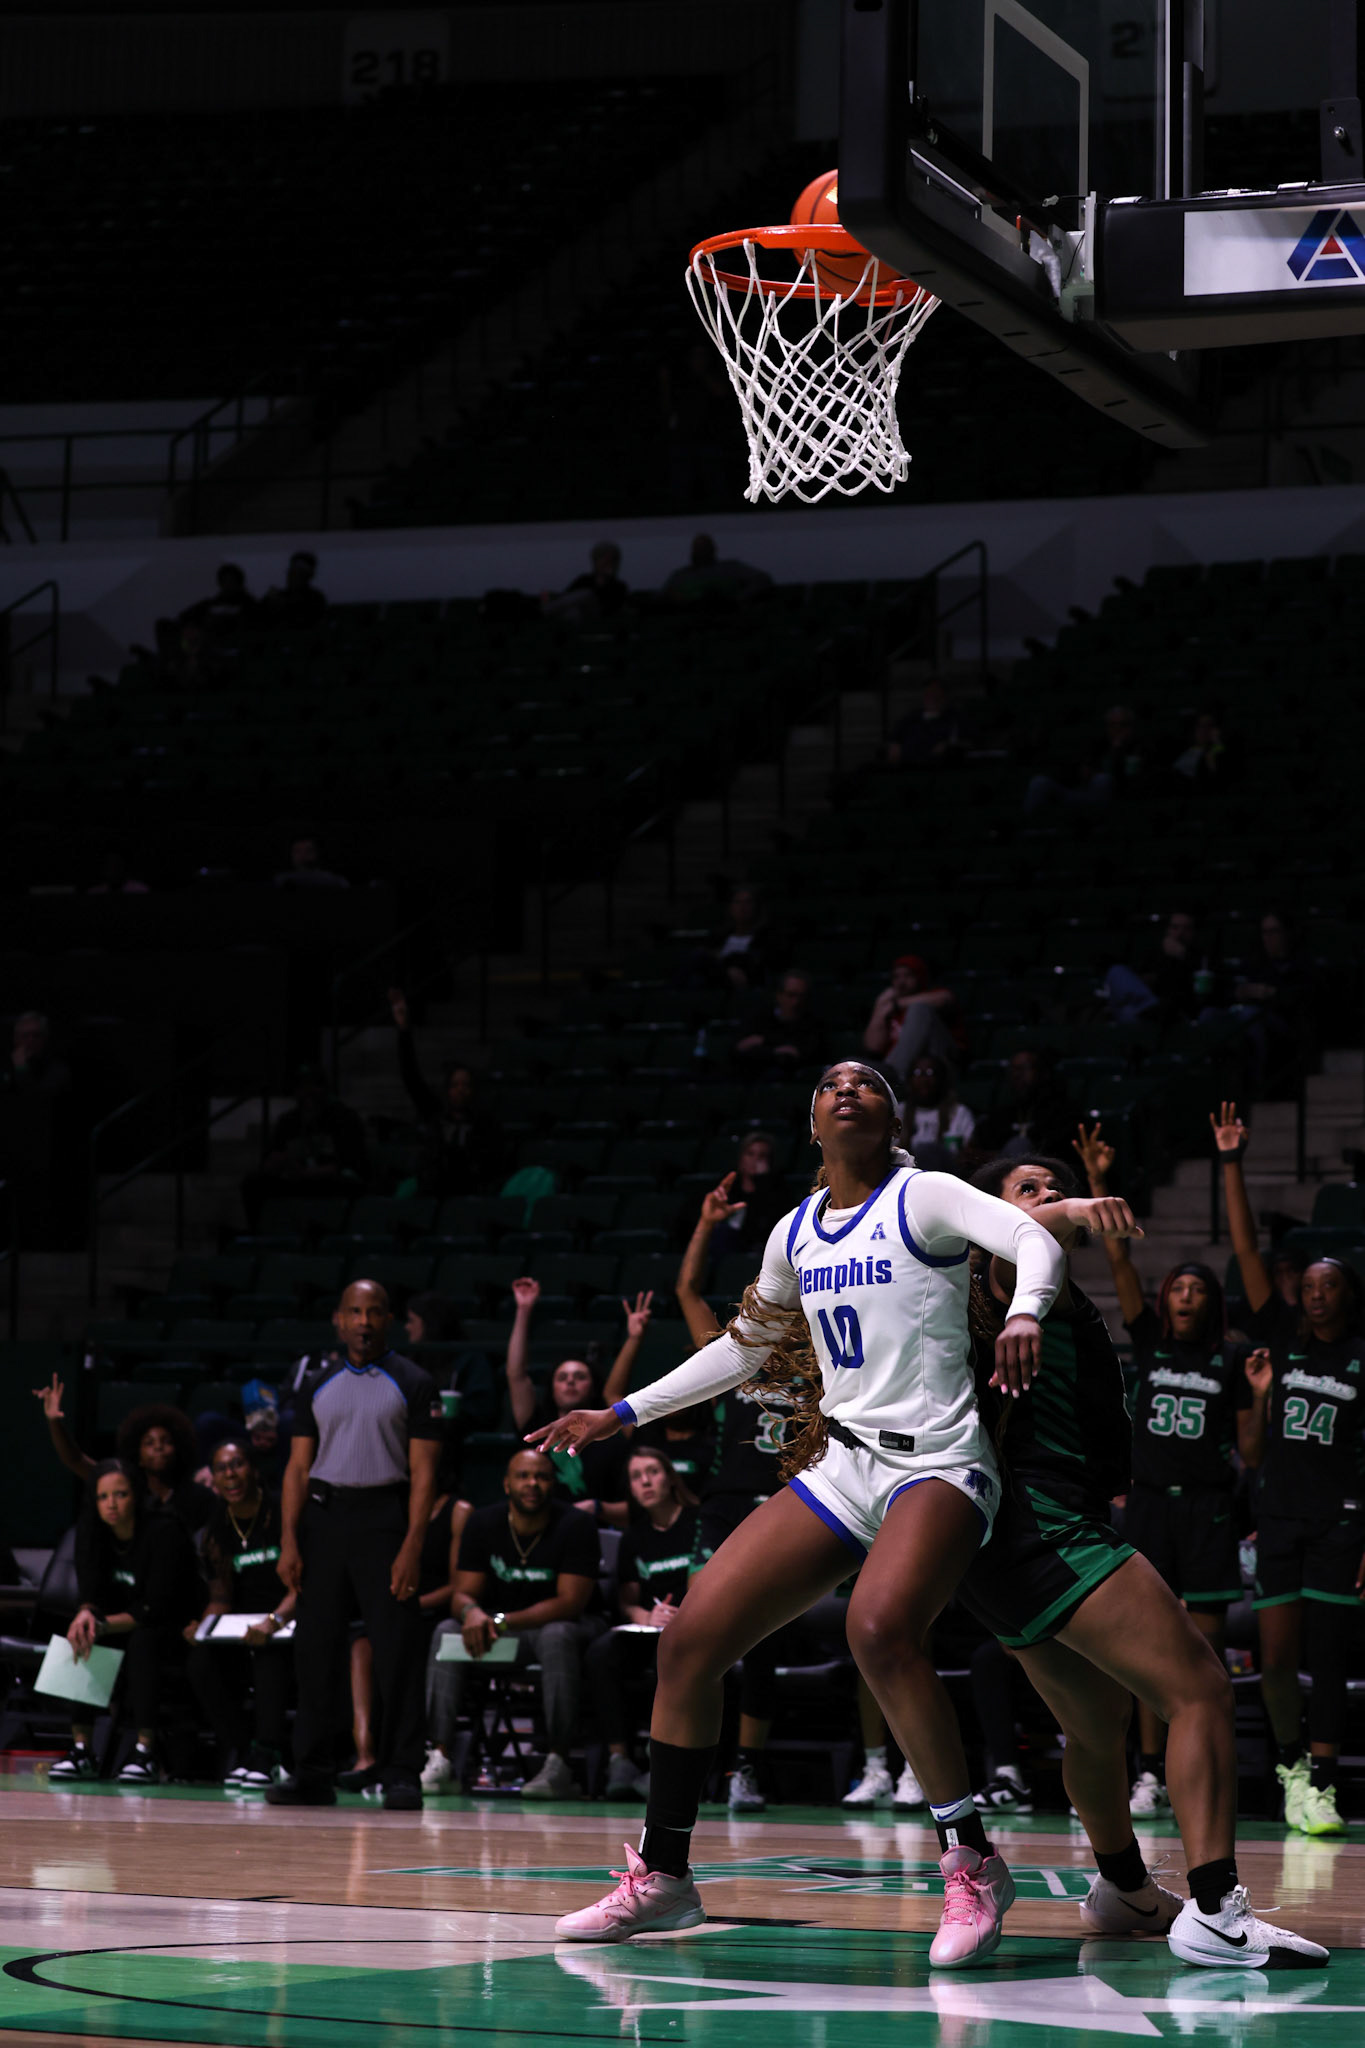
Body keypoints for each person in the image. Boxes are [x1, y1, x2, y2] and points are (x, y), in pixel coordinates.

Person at [541, 1059, 1067, 1967]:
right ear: (812, 1124)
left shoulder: (927, 1195)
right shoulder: (794, 1232)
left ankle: (972, 1861)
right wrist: (620, 1412)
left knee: (878, 1630)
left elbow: (1033, 1241)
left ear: (892, 1119)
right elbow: (743, 1350)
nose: (847, 1088)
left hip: (939, 1461)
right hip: (842, 1463)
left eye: (866, 1082)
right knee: (689, 1641)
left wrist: (1025, 1313)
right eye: (830, 1085)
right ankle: (664, 1876)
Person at [959, 1151, 1327, 1969]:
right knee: (1198, 1689)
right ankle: (1215, 1909)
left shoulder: (1025, 1286)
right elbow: (1020, 1235)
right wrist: (1076, 1207)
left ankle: (1123, 1888)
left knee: (1095, 1726)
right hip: (1045, 1524)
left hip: (1000, 1545)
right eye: (1028, 1189)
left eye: (1055, 1186)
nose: (1048, 1197)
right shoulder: (1003, 1274)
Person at [1073, 1121, 1252, 1816]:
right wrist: (1098, 1184)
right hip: (1147, 1504)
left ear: (1210, 1302)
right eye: (1176, 1287)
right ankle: (1149, 1771)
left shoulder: (1232, 1360)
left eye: (1196, 1289)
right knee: (1148, 1646)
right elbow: (1120, 1264)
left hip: (1206, 1508)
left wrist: (1261, 1398)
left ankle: (1199, 1765)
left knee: (1201, 1652)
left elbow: (1252, 1451)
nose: (1183, 1296)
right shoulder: (1147, 1343)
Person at [1215, 1100, 1365, 1838]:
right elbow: (1246, 1253)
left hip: (1340, 1523)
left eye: (1327, 1285)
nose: (1315, 1294)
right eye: (1307, 1286)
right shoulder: (1281, 1338)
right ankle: (1290, 1767)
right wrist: (1231, 1164)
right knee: (1275, 1659)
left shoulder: (1361, 1358)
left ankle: (1326, 1784)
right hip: (1277, 1516)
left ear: (1348, 1294)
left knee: (1328, 1659)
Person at [266, 1280, 443, 1811]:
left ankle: (402, 1773)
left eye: (374, 1312)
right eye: (354, 1312)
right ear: (339, 1321)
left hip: (385, 1519)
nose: (364, 1322)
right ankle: (312, 1773)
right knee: (314, 1651)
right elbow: (297, 1468)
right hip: (324, 1520)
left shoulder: (414, 1381)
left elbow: (424, 1472)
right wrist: (289, 1540)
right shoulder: (315, 1382)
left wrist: (413, 1545)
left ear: (388, 1320)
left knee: (397, 1652)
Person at [673, 1182, 798, 1812]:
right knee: (697, 1629)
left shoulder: (820, 1360)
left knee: (763, 1640)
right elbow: (686, 1291)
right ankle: (695, 1764)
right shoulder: (735, 1355)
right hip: (724, 1506)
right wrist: (706, 1224)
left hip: (787, 1507)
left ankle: (746, 1768)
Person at [424, 1449, 605, 1798]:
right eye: (523, 1476)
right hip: (500, 1633)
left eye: (541, 1476)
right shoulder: (483, 1522)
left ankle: (559, 1763)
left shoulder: (575, 1524)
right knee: (446, 1632)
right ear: (506, 1484)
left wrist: (501, 1621)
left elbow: (570, 1603)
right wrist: (472, 1613)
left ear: (554, 1483)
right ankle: (440, 1757)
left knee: (556, 1635)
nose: (532, 1484)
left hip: (564, 1629)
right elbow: (462, 1593)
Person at [48, 1461, 201, 1786]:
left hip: (172, 1626)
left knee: (143, 1641)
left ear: (137, 1495)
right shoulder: (92, 1532)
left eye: (120, 1494)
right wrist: (86, 1613)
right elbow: (90, 1592)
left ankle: (146, 1750)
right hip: (117, 1624)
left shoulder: (164, 1531)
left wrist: (100, 1624)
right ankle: (81, 1749)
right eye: (103, 1497)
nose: (111, 1504)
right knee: (80, 1634)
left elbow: (157, 1606)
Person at [587, 1447, 700, 1795]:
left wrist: (685, 1615)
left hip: (694, 1628)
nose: (646, 1482)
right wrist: (646, 1615)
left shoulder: (698, 1523)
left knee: (672, 1657)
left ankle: (663, 1764)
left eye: (652, 1472)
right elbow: (627, 1601)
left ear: (670, 1478)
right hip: (650, 1629)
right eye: (636, 1477)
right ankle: (619, 1759)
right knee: (601, 1653)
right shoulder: (633, 1537)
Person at [185, 1440, 295, 1789]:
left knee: (268, 1653)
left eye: (237, 1464)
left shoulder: (282, 1512)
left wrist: (274, 1621)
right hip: (242, 1626)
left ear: (254, 1469)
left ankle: (268, 1752)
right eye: (221, 1468)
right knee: (200, 1661)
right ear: (214, 1479)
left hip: (289, 1620)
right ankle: (245, 1751)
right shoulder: (217, 1525)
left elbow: (303, 1588)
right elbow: (220, 1597)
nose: (230, 1475)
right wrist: (203, 1627)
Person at [504, 1278, 639, 1526]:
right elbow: (516, 1375)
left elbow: (636, 1508)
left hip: (598, 1531)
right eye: (562, 1377)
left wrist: (596, 1508)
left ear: (593, 1387)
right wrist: (523, 1309)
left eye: (580, 1377)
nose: (570, 1381)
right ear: (552, 1388)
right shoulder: (536, 1424)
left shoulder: (611, 1432)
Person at [32, 1383, 215, 1535]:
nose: (158, 1447)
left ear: (179, 1449)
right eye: (149, 1443)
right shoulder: (125, 1486)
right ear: (138, 1454)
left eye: (166, 1441)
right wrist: (54, 1421)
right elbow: (76, 1460)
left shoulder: (199, 1497)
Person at [388, 990, 505, 1197]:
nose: (460, 1089)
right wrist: (404, 1030)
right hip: (435, 1192)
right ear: (448, 1089)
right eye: (455, 1084)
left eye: (465, 1085)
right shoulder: (437, 1115)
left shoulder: (484, 1123)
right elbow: (411, 1078)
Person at [241, 1067, 368, 1227]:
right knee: (253, 1184)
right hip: (298, 1182)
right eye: (302, 1087)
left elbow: (350, 1163)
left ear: (325, 1089)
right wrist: (276, 1163)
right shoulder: (288, 1121)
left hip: (330, 1183)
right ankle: (258, 1233)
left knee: (348, 1186)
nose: (308, 1092)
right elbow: (270, 1159)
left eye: (313, 1086)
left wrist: (308, 1173)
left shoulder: (344, 1118)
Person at [675, 1135, 787, 1261]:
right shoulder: (725, 1187)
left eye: (762, 1156)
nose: (755, 1160)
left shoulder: (776, 1192)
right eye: (750, 1154)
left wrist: (762, 1180)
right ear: (741, 1157)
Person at [1025, 704, 1142, 813]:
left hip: (1109, 797)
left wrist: (1118, 751)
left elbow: (1129, 780)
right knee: (1039, 782)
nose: (1117, 728)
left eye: (1122, 724)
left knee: (1103, 780)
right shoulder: (1097, 743)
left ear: (1130, 727)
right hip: (1079, 790)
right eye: (1112, 724)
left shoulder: (1139, 748)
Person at [864, 954, 963, 1081]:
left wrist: (896, 1004)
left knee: (919, 1009)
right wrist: (879, 1006)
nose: (901, 982)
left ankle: (895, 1076)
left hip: (940, 1066)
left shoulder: (934, 995)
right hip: (900, 1070)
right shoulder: (890, 1009)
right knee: (849, 1065)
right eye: (896, 977)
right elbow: (873, 1047)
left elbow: (945, 999)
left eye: (908, 975)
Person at [1102, 909, 1206, 1028]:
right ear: (1168, 930)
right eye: (1175, 927)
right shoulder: (1155, 953)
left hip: (1178, 1013)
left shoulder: (1200, 957)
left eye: (1186, 928)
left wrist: (1183, 955)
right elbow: (1140, 982)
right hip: (1149, 1008)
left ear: (1193, 932)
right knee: (1117, 971)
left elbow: (1199, 990)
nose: (1180, 933)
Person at [970, 1047, 1077, 1162]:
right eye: (1013, 1069)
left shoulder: (1064, 1114)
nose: (1017, 1075)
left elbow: (1058, 1153)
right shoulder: (1001, 1114)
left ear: (1044, 1073)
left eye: (1024, 1068)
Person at [733, 969, 827, 1077]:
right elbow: (739, 1051)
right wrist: (774, 1050)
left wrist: (763, 1042)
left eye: (801, 996)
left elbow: (814, 1054)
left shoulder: (813, 1023)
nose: (796, 1002)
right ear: (779, 995)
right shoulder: (758, 1019)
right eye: (791, 995)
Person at [902, 1054, 975, 1168]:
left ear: (941, 1079)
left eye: (930, 1073)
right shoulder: (898, 1111)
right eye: (917, 1073)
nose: (924, 1080)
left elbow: (968, 1154)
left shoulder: (959, 1113)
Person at [886, 677, 974, 769]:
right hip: (908, 766)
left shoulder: (955, 718)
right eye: (929, 693)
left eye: (936, 693)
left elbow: (968, 743)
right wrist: (894, 746)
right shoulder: (911, 718)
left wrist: (949, 748)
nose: (932, 697)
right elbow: (894, 741)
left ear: (944, 696)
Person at [662, 534, 771, 607]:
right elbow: (664, 595)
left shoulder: (731, 568)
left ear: (713, 550)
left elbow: (762, 579)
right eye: (698, 549)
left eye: (704, 548)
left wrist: (738, 599)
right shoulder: (680, 576)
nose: (701, 552)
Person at [543, 541, 627, 624]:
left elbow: (611, 607)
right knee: (572, 613)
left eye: (609, 560)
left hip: (598, 616)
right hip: (580, 616)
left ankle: (545, 610)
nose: (604, 563)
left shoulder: (618, 586)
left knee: (587, 593)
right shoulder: (584, 579)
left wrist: (605, 582)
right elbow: (568, 596)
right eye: (601, 558)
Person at [4, 1012, 71, 1099]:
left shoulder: (58, 1069)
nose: (31, 1040)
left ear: (45, 1038)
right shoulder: (4, 1065)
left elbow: (37, 1099)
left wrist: (21, 1069)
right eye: (25, 1035)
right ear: (15, 1038)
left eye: (36, 1035)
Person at [180, 562, 256, 637]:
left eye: (232, 581)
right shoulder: (210, 604)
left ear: (239, 582)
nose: (228, 585)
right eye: (225, 581)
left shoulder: (249, 605)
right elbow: (184, 618)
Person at [261, 550, 326, 629]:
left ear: (308, 575)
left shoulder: (315, 599)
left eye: (299, 572)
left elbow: (307, 622)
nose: (293, 575)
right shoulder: (276, 596)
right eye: (292, 570)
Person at [274, 835, 349, 890]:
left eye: (309, 851)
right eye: (297, 851)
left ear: (318, 853)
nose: (302, 855)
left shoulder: (335, 881)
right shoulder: (281, 880)